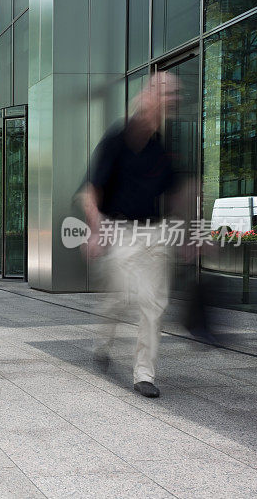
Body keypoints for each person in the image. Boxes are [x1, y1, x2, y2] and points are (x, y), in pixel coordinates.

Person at [79, 72, 180, 399]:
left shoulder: (161, 147)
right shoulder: (118, 138)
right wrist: (96, 229)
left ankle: (144, 373)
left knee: (154, 304)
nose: (170, 97)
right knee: (121, 296)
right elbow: (89, 191)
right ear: (146, 95)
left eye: (173, 93)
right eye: (163, 90)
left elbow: (175, 192)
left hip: (156, 233)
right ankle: (103, 341)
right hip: (120, 231)